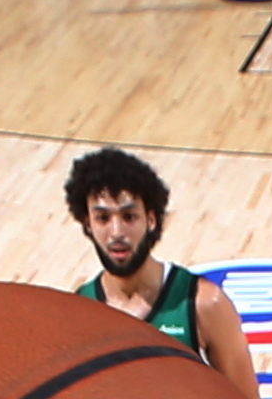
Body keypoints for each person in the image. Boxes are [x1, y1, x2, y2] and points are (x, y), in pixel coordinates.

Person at [64, 143, 249, 376]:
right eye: (102, 218)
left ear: (150, 219)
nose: (117, 232)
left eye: (129, 217)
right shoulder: (80, 310)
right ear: (87, 224)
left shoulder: (203, 304)